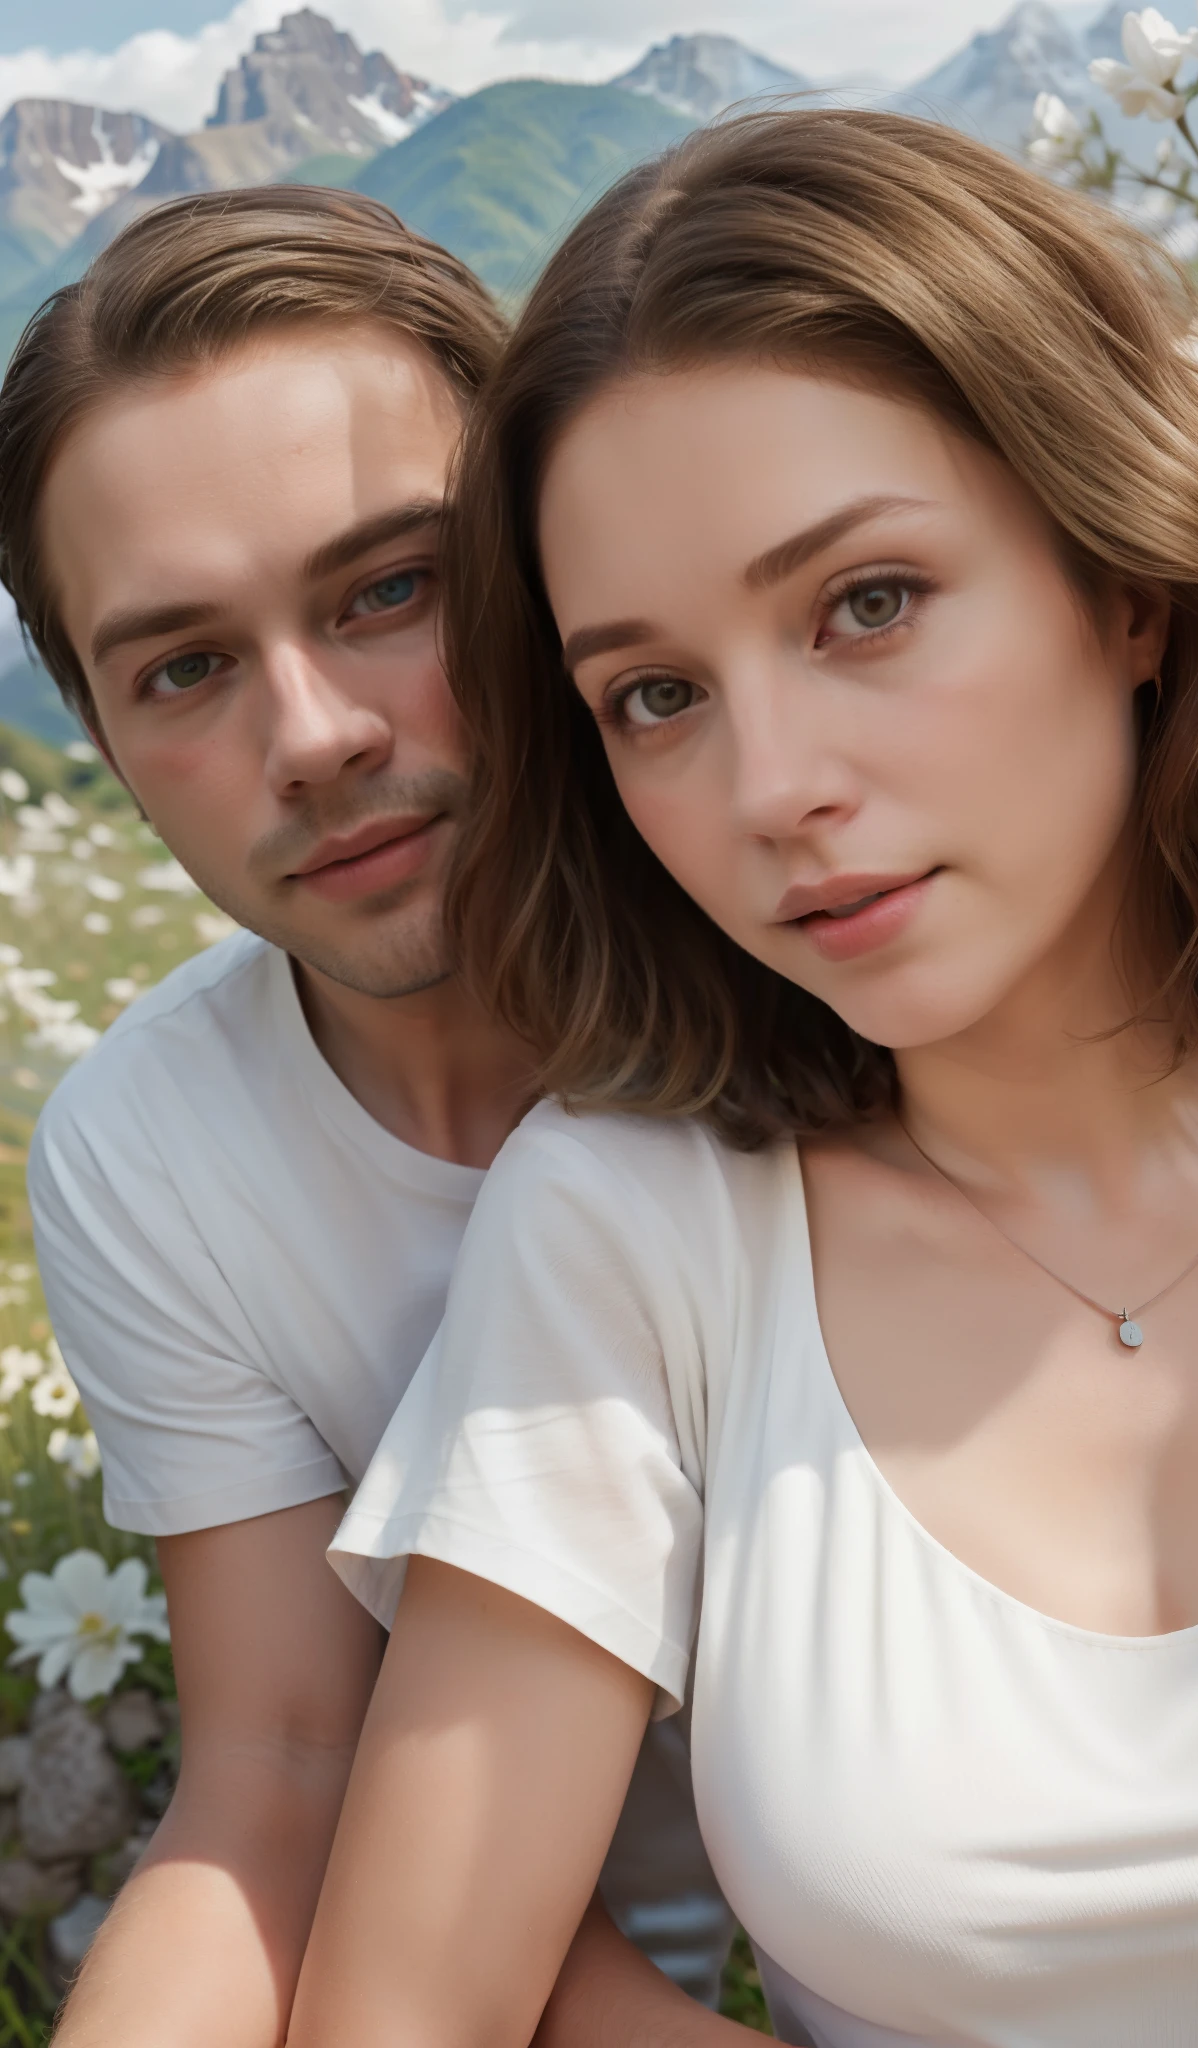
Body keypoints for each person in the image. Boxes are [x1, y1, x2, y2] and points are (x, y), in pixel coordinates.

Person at [292, 111, 1198, 2048]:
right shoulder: (640, 1233)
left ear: (1124, 577)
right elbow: (407, 2012)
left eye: (865, 602)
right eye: (656, 695)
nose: (769, 785)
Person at [0, 186, 735, 2048]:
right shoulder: (150, 1155)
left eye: (389, 588)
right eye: (184, 666)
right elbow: (282, 1778)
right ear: (95, 728)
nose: (314, 733)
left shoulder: (815, 989)